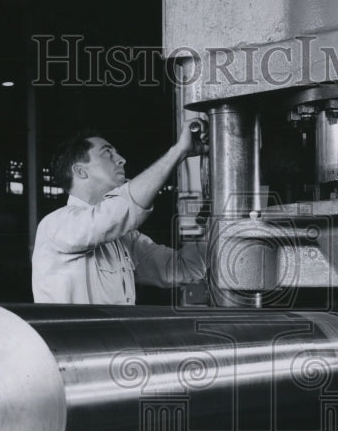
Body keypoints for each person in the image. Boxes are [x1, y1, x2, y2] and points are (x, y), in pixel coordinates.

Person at [31, 125, 207, 304]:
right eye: (107, 153)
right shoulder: (55, 225)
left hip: (115, 331)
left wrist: (213, 216)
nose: (122, 160)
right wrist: (178, 151)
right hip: (73, 333)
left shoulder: (125, 240)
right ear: (80, 171)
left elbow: (185, 268)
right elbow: (120, 210)